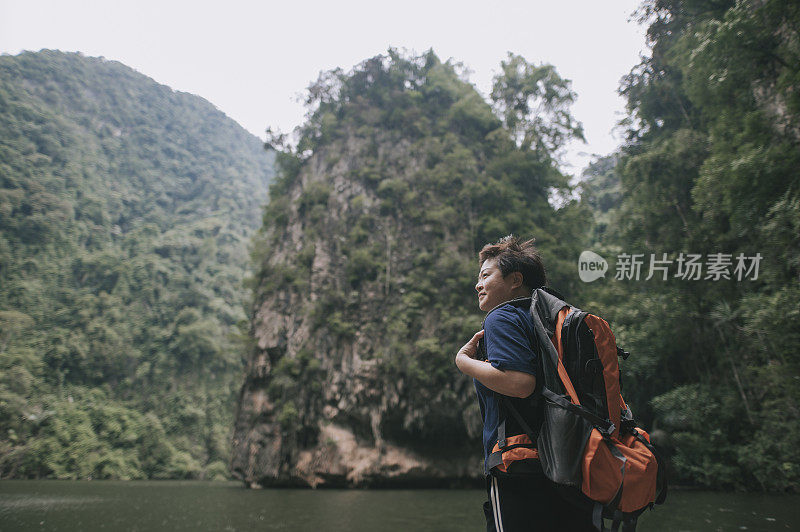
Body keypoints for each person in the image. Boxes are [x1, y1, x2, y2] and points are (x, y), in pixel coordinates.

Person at [455, 236, 595, 532]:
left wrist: (464, 362)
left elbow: (520, 384)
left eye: (485, 275)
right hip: (568, 458)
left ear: (515, 279)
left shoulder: (502, 317)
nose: (477, 285)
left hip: (519, 463)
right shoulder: (549, 320)